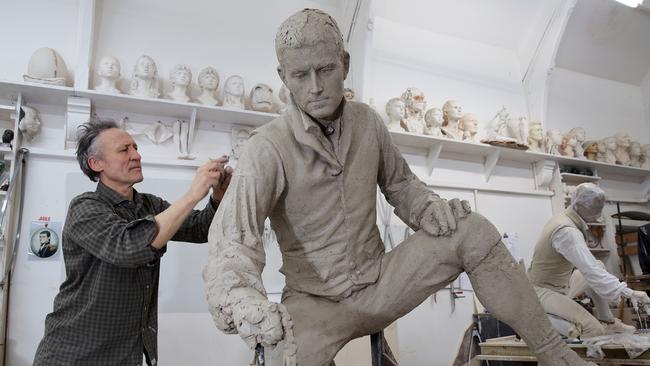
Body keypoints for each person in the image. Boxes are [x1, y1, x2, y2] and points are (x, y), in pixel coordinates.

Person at [203, 9, 594, 366]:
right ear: (282, 77)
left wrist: (429, 208)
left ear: (345, 64)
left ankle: (554, 353)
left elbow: (403, 185)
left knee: (472, 229)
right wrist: (241, 299)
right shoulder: (265, 148)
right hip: (315, 305)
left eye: (325, 69)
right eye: (300, 75)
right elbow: (233, 241)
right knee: (279, 353)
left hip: (383, 282)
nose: (316, 86)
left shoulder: (368, 123)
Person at [34, 120, 232, 366]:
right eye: (124, 150)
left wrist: (217, 197)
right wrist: (193, 193)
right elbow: (128, 247)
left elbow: (200, 228)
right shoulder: (85, 207)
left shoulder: (149, 205)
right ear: (96, 163)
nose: (136, 155)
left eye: (135, 148)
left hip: (126, 356)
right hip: (74, 354)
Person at [528, 183, 650, 338]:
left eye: (599, 207)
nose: (598, 212)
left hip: (561, 286)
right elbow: (591, 270)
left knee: (598, 265)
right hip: (542, 293)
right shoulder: (567, 232)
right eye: (594, 208)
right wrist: (628, 292)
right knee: (592, 329)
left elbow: (593, 269)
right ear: (579, 204)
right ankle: (539, 318)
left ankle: (608, 322)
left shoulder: (566, 218)